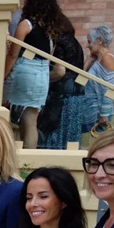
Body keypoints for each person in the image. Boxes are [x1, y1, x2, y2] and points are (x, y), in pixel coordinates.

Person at [4, 0, 64, 149]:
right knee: (31, 119)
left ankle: (23, 155)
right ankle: (28, 156)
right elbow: (49, 56)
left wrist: (3, 75)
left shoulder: (26, 25)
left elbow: (13, 54)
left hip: (26, 70)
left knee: (20, 119)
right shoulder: (50, 30)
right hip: (43, 74)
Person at [37, 14, 85, 149]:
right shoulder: (76, 43)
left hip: (62, 96)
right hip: (76, 95)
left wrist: (42, 79)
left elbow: (59, 71)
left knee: (55, 134)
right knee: (70, 138)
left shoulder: (61, 43)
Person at [81, 25, 114, 134]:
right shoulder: (96, 59)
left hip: (98, 116)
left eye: (89, 42)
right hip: (88, 112)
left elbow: (111, 89)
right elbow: (80, 81)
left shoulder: (107, 59)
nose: (87, 45)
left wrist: (104, 115)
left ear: (99, 40)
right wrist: (87, 62)